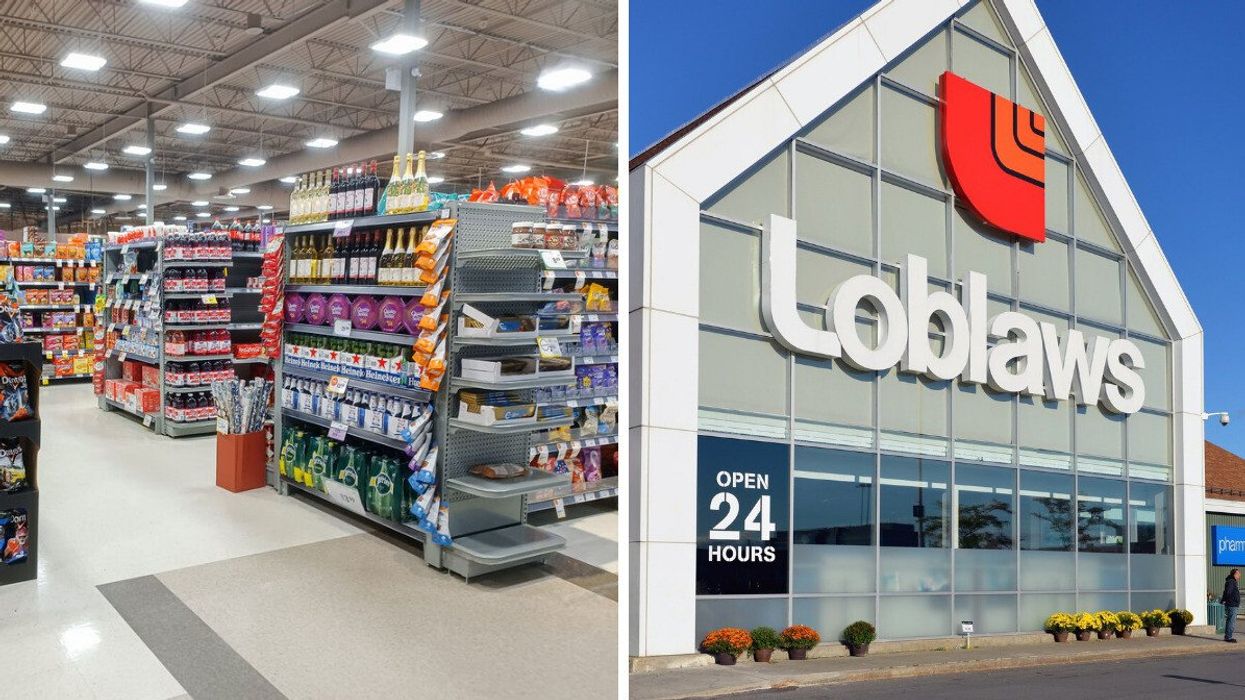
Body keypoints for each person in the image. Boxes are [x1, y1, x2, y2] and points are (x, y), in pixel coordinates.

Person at [1222, 568, 1241, 643]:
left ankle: (1228, 636)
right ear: (1235, 574)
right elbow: (1228, 592)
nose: (1239, 576)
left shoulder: (1232, 581)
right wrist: (1230, 600)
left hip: (1232, 604)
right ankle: (1229, 637)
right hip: (1232, 604)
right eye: (1238, 574)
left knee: (1230, 620)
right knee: (1231, 621)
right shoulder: (1231, 582)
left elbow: (1226, 592)